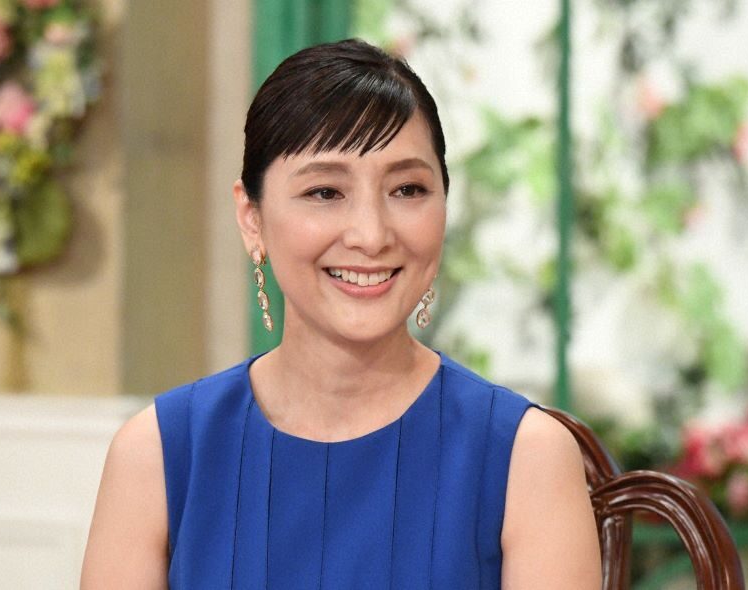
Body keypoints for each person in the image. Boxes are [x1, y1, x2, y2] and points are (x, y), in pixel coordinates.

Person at [81, 38, 601, 589]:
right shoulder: (156, 455)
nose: (371, 236)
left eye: (407, 189)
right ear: (252, 217)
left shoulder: (527, 457)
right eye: (326, 192)